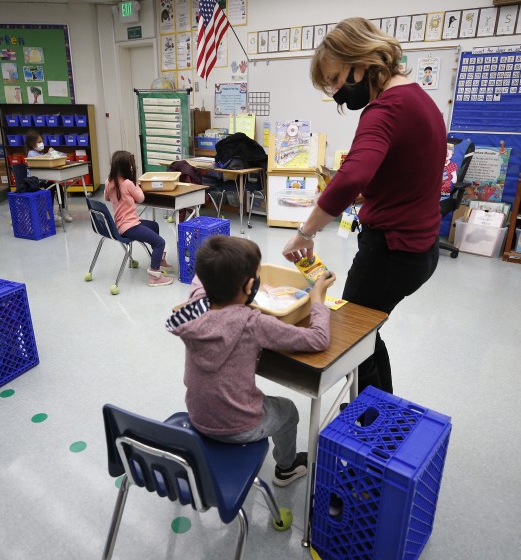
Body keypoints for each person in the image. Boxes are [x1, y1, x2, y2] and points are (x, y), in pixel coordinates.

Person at [282, 17, 444, 395]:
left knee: (350, 338)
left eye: (337, 79)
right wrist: (363, 194)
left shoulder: (384, 109)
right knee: (366, 334)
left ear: (360, 60)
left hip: (391, 252)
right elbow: (406, 172)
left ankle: (368, 430)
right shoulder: (418, 98)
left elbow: (353, 175)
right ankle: (381, 413)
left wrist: (305, 232)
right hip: (420, 247)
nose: (338, 92)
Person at [166, 235, 336, 486]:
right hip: (240, 426)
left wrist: (225, 263)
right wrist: (317, 299)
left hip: (198, 416)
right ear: (249, 287)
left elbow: (201, 279)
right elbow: (318, 339)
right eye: (257, 276)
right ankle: (286, 468)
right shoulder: (253, 322)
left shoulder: (195, 307)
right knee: (288, 411)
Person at [104, 150, 174, 287]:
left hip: (120, 224)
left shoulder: (108, 182)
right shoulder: (128, 183)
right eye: (130, 165)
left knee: (154, 225)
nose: (132, 168)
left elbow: (106, 198)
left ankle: (158, 259)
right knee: (160, 242)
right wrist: (134, 182)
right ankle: (154, 276)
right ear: (125, 167)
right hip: (130, 227)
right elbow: (141, 198)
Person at [25, 129, 72, 224]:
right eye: (39, 142)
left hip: (44, 180)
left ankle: (62, 209)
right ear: (31, 143)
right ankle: (49, 212)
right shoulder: (31, 154)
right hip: (35, 182)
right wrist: (48, 154)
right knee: (49, 188)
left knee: (58, 186)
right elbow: (41, 160)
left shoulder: (40, 153)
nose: (41, 143)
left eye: (42, 141)